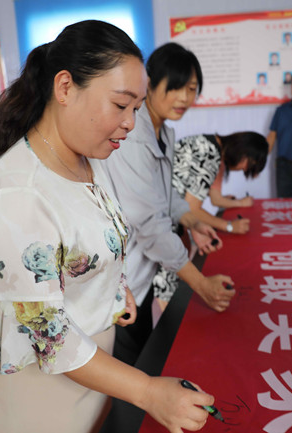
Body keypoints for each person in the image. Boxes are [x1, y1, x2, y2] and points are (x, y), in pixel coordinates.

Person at [0, 21, 214, 433]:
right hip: (40, 393)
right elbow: (48, 337)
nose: (130, 123)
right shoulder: (18, 194)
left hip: (92, 370)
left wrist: (111, 287)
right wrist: (148, 391)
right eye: (120, 105)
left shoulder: (87, 159)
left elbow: (90, 241)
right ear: (65, 87)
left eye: (137, 109)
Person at [101, 42, 236, 365]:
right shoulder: (132, 136)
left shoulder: (165, 133)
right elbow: (149, 223)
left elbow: (165, 196)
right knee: (127, 364)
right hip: (121, 276)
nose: (184, 98)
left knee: (142, 354)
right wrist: (201, 284)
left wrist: (192, 221)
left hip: (143, 272)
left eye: (191, 89)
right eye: (175, 87)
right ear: (149, 83)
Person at [151, 131, 268, 308]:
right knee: (169, 279)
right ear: (244, 152)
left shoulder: (212, 146)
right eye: (248, 165)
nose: (244, 169)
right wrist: (230, 226)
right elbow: (193, 208)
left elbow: (215, 198)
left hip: (166, 213)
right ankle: (168, 322)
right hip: (162, 218)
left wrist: (238, 203)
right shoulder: (210, 152)